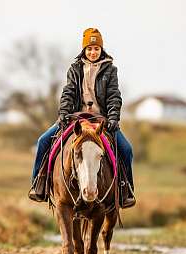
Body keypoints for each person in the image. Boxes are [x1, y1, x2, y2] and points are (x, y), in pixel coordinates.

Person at [28, 28, 135, 208]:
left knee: (126, 149)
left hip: (101, 121)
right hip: (75, 119)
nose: (93, 52)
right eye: (89, 48)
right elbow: (68, 93)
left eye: (96, 48)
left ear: (101, 50)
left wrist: (113, 118)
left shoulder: (110, 70)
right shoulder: (75, 69)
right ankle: (39, 184)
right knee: (43, 141)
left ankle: (126, 190)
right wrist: (63, 113)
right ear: (84, 50)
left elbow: (114, 96)